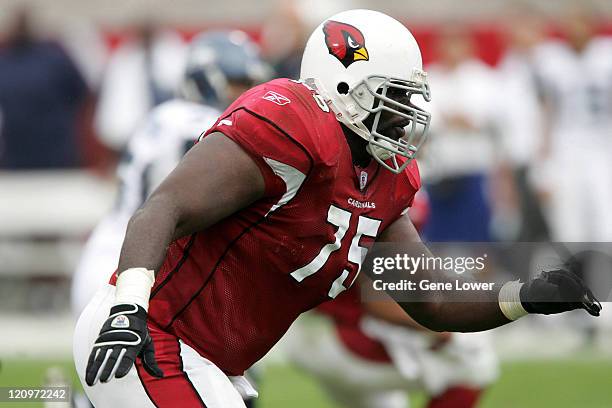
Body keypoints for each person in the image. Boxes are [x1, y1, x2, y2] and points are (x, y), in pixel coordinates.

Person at [73, 10, 601, 408]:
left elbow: (431, 300)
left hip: (212, 358)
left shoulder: (386, 179)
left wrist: (524, 296)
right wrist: (128, 310)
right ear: (343, 85)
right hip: (148, 333)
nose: (405, 116)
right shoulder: (289, 124)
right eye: (392, 96)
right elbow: (163, 207)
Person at [71, 30, 269, 317]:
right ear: (206, 79)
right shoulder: (196, 124)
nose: (246, 94)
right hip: (136, 265)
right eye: (238, 84)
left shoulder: (165, 116)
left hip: (116, 253)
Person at [285, 192, 498, 408]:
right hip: (339, 336)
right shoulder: (384, 196)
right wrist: (441, 328)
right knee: (475, 362)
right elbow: (379, 303)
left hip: (313, 327)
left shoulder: (354, 185)